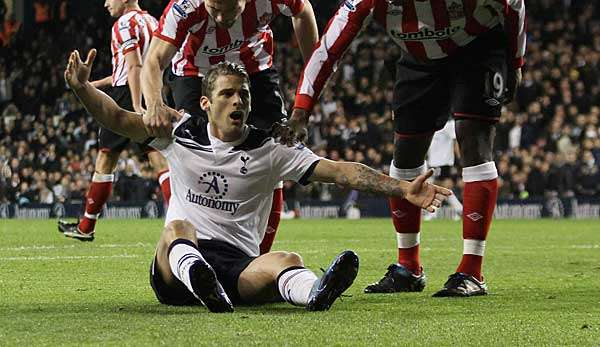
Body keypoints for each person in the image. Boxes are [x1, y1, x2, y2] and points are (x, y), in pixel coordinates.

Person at [64, 49, 452, 312]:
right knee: (176, 228)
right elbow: (116, 119)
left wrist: (402, 187)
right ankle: (198, 277)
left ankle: (313, 294)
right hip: (174, 272)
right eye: (228, 94)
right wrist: (83, 89)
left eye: (244, 95)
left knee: (286, 260)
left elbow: (339, 171)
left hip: (236, 269)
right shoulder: (178, 132)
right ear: (206, 103)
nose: (238, 102)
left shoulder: (270, 148)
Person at [286, 0, 526, 296]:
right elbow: (327, 50)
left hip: (477, 47)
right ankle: (408, 268)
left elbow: (514, 4)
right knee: (406, 155)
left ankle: (471, 271)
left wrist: (515, 62)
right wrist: (301, 109)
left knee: (474, 141)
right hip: (419, 58)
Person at [140, 0, 319, 254]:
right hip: (195, 74)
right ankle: (192, 246)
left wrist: (313, 71)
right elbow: (154, 59)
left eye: (231, 10)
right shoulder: (184, 7)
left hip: (253, 70)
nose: (222, 18)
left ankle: (259, 257)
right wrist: (155, 102)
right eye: (214, 10)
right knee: (196, 149)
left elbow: (303, 11)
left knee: (277, 147)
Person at [58, 0, 171, 241]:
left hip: (128, 96)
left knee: (105, 158)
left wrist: (138, 105)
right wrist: (88, 86)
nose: (106, 3)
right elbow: (128, 69)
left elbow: (134, 67)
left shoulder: (123, 23)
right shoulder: (152, 22)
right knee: (159, 158)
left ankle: (86, 227)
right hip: (154, 91)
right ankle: (180, 220)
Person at [423, 119, 463, 221]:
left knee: (433, 186)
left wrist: (460, 160)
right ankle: (459, 209)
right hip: (433, 162)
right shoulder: (431, 124)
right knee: (441, 188)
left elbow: (456, 142)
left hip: (443, 162)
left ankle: (433, 212)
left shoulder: (449, 124)